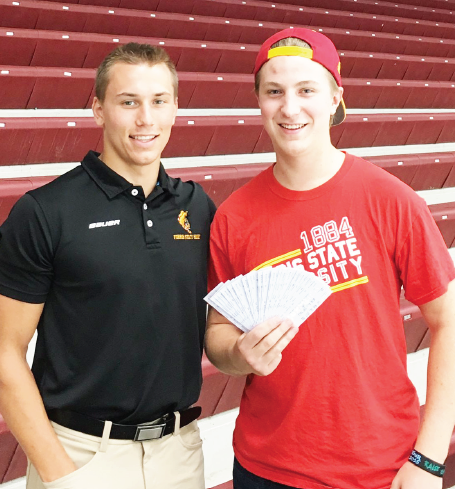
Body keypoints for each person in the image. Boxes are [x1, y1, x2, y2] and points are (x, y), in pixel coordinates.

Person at [205, 27, 455, 489]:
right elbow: (219, 338)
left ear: (336, 96)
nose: (290, 107)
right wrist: (240, 355)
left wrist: (429, 458)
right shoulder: (233, 217)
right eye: (274, 91)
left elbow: (449, 322)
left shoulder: (390, 199)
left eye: (307, 90)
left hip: (377, 467)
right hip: (265, 468)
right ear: (259, 101)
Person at [0, 42, 215, 489]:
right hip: (80, 455)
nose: (146, 120)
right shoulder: (45, 212)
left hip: (179, 454)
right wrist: (59, 472)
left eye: (159, 101)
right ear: (98, 109)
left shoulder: (197, 208)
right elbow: (4, 351)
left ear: (176, 108)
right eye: (128, 102)